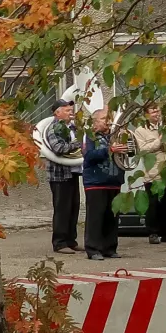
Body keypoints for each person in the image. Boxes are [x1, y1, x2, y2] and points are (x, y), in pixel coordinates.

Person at [82, 108, 127, 260]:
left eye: (109, 118)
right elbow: (89, 156)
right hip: (96, 182)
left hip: (114, 181)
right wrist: (109, 150)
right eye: (103, 119)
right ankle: (93, 249)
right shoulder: (90, 136)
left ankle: (110, 248)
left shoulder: (116, 136)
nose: (107, 121)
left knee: (112, 216)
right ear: (94, 122)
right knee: (96, 217)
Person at [45, 98, 82, 254]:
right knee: (62, 209)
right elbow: (58, 148)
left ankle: (71, 240)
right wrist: (78, 144)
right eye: (67, 110)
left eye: (70, 109)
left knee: (74, 207)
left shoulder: (72, 127)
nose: (70, 112)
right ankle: (59, 243)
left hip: (72, 172)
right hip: (59, 175)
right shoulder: (54, 128)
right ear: (57, 112)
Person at [130, 106, 166, 245]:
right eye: (153, 112)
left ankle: (165, 232)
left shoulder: (165, 127)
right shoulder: (141, 131)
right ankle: (152, 232)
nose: (157, 114)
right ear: (146, 115)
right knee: (153, 205)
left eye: (158, 111)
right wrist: (159, 141)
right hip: (152, 173)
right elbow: (142, 149)